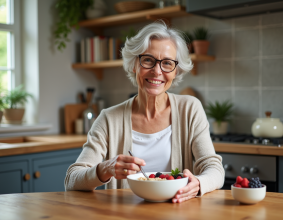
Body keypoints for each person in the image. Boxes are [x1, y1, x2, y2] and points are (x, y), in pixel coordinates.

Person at [65, 21, 224, 203]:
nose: (157, 71)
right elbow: (72, 180)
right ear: (134, 65)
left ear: (175, 71)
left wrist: (199, 183)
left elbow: (214, 168)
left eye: (167, 63)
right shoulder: (109, 119)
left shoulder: (190, 108)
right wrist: (105, 169)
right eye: (148, 60)